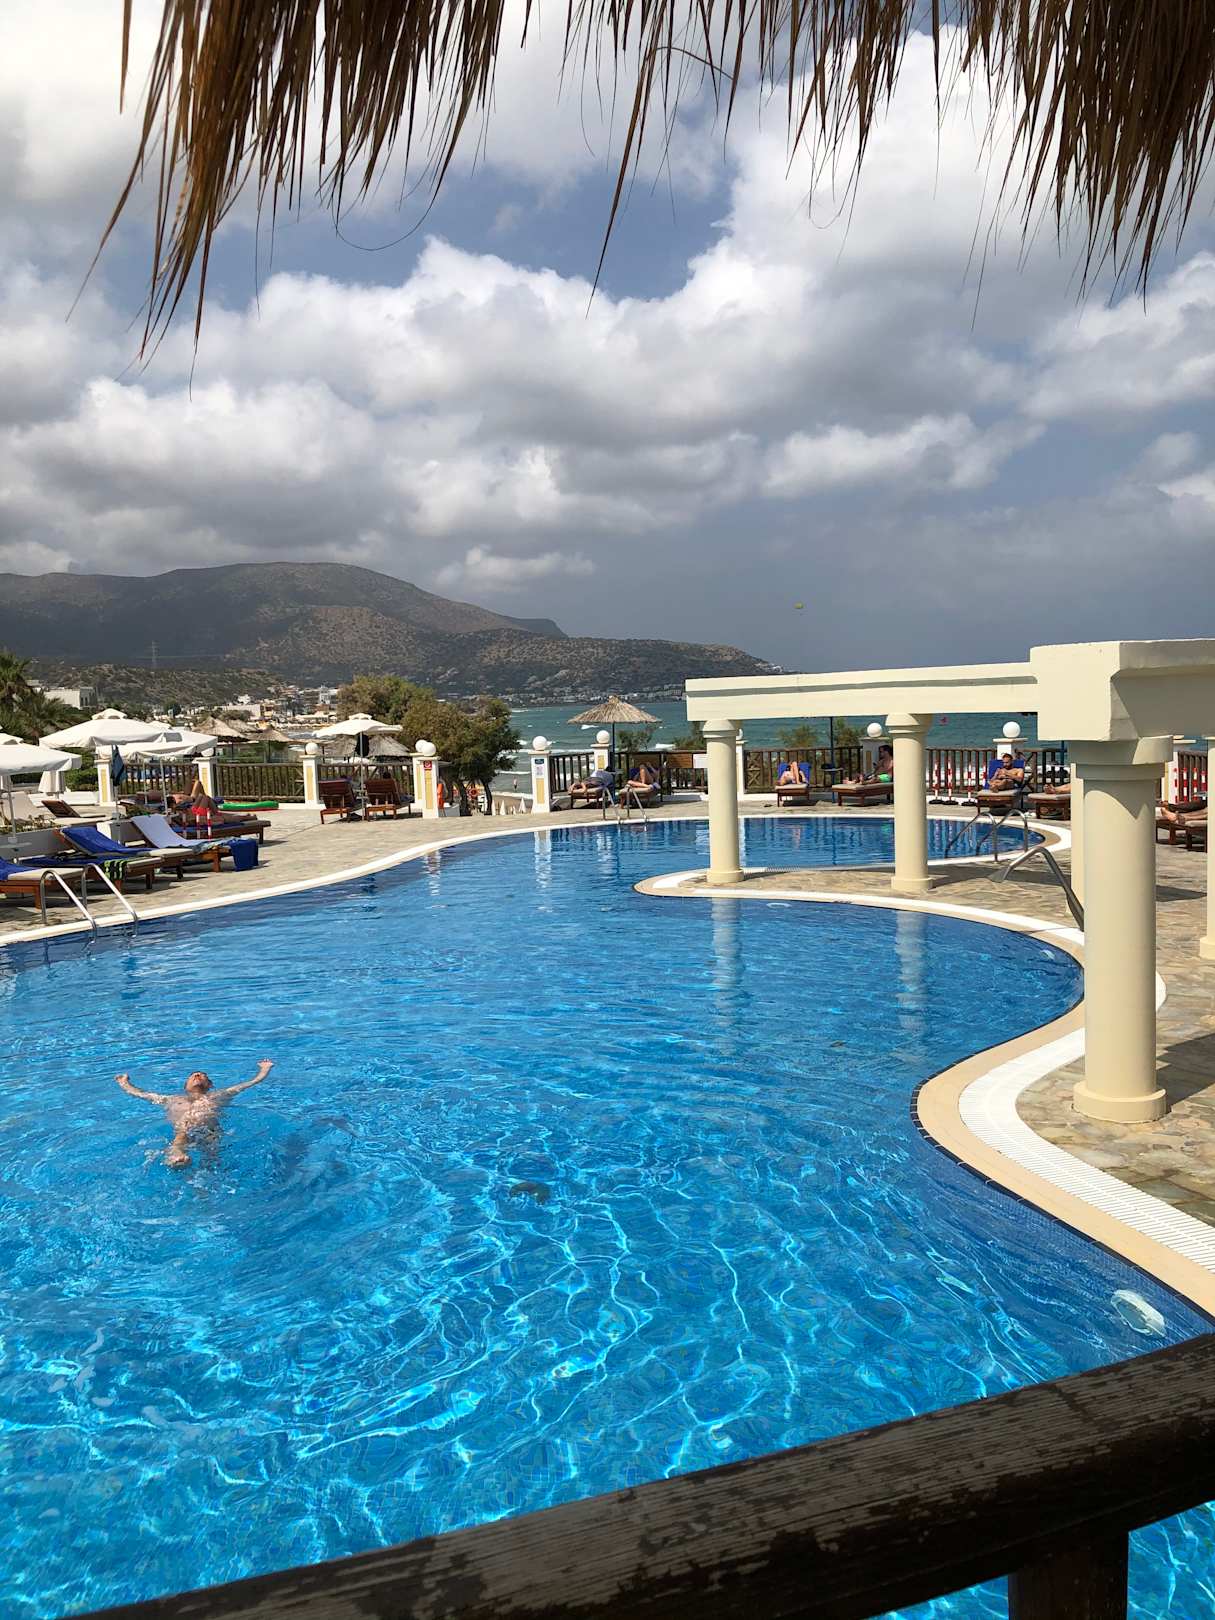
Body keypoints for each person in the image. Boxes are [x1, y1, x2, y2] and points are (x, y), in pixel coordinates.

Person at [115, 1060, 274, 1167]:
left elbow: (249, 1083)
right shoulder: (170, 1099)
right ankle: (177, 1157)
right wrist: (125, 1083)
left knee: (212, 1158)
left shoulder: (220, 1095)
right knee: (180, 1137)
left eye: (203, 1075)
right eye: (193, 1076)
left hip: (211, 1131)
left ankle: (205, 1185)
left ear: (210, 1085)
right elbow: (142, 1094)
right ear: (185, 1087)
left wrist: (264, 1069)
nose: (197, 1075)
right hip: (183, 1130)